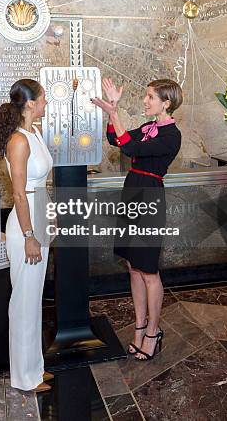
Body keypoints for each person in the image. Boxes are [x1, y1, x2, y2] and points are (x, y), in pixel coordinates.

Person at [91, 78, 182, 361]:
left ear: (166, 103)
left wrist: (116, 114)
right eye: (146, 96)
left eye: (150, 97)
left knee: (148, 270)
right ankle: (139, 326)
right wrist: (112, 112)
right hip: (132, 194)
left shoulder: (171, 135)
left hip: (150, 196)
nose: (145, 101)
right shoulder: (147, 128)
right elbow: (115, 140)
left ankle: (153, 331)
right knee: (133, 266)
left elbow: (129, 148)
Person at [0, 79, 53, 392]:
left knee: (34, 300)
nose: (45, 104)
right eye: (42, 99)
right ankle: (24, 378)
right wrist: (30, 235)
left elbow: (39, 187)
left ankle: (35, 368)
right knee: (23, 302)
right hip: (25, 224)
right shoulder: (18, 141)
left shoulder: (35, 132)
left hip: (40, 216)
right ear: (30, 103)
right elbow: (18, 192)